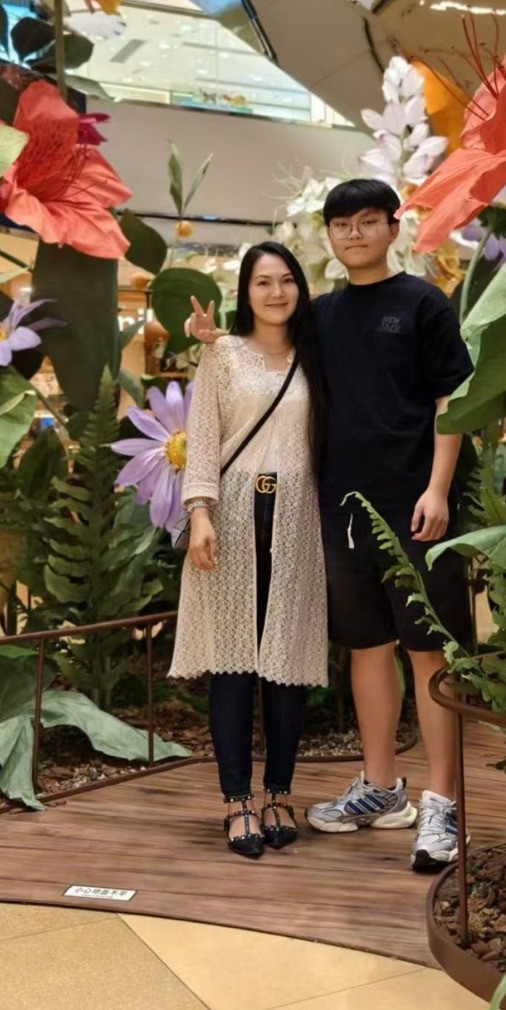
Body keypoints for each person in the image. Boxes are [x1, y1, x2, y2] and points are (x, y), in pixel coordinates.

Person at [188, 178, 473, 872]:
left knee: (428, 652)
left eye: (368, 221)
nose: (354, 234)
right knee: (367, 648)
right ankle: (381, 787)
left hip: (416, 506)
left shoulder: (424, 304)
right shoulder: (324, 315)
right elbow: (266, 352)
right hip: (339, 512)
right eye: (341, 224)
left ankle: (443, 802)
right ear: (329, 236)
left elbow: (452, 400)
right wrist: (214, 340)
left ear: (393, 228)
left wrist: (439, 488)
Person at [172, 241, 328, 860]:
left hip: (298, 519)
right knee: (233, 663)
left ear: (300, 288)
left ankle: (278, 795)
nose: (276, 292)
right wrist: (200, 512)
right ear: (245, 292)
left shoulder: (316, 355)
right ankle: (237, 802)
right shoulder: (223, 354)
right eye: (263, 282)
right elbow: (204, 437)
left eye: (286, 280)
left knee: (287, 662)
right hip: (233, 514)